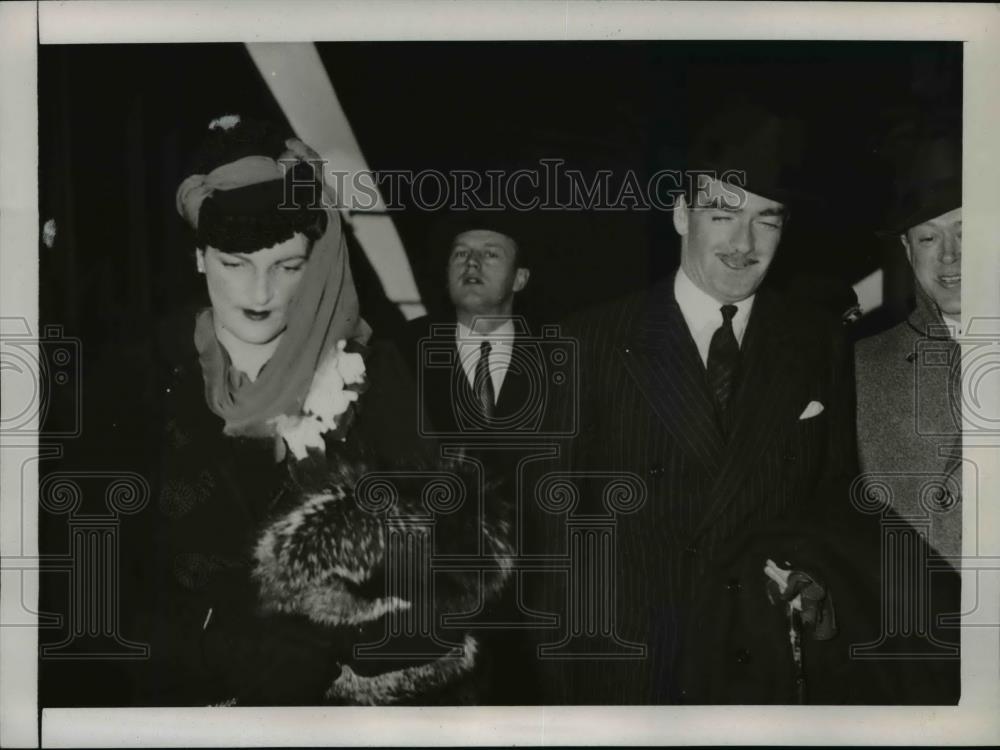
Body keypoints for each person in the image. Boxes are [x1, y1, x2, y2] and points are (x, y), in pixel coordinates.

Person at [526, 106, 866, 704]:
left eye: (767, 221)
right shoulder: (586, 342)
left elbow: (835, 494)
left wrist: (812, 576)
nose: (744, 244)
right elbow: (552, 536)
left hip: (759, 665)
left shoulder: (818, 343)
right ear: (682, 215)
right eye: (723, 214)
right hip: (629, 669)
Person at [855, 131, 962, 567]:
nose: (949, 257)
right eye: (928, 239)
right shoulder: (862, 367)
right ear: (906, 248)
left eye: (964, 231)